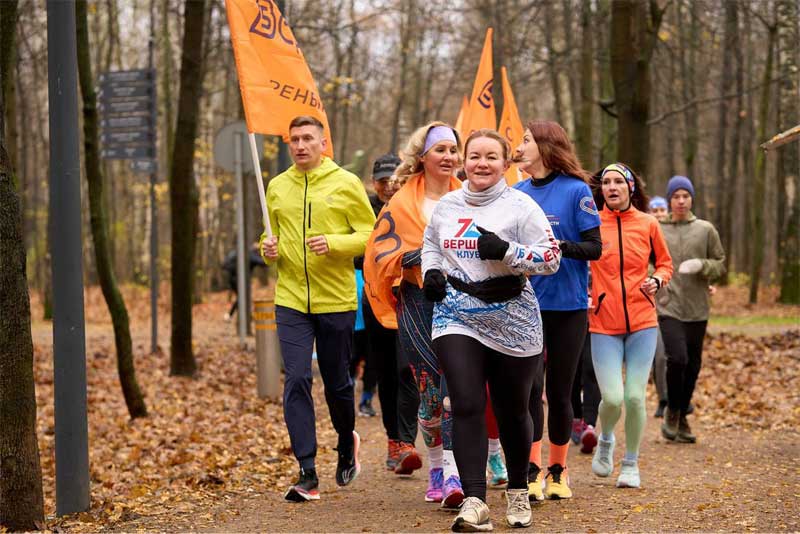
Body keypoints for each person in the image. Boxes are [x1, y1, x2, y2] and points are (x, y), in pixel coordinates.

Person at [422, 129, 561, 531]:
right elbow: (431, 243)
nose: (481, 164)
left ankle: (517, 488)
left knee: (513, 409)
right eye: (474, 156)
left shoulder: (521, 206)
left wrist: (508, 252)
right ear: (464, 161)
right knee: (464, 403)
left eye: (491, 157)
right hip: (456, 313)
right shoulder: (448, 205)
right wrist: (432, 271)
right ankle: (475, 501)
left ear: (505, 163)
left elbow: (551, 257)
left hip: (512, 316)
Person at [260, 116, 376, 502]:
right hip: (291, 299)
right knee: (295, 378)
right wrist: (267, 249)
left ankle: (346, 441)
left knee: (337, 382)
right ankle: (307, 470)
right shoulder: (277, 187)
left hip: (335, 298)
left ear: (323, 143)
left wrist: (336, 244)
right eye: (294, 139)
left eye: (308, 138)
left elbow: (369, 235)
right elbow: (268, 234)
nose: (300, 145)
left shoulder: (345, 183)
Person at [364, 122, 464, 507]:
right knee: (430, 395)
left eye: (454, 150)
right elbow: (380, 254)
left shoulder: (470, 198)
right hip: (418, 302)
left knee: (456, 390)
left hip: (463, 303)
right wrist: (418, 256)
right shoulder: (401, 204)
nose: (449, 157)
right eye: (441, 149)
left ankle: (454, 474)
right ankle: (436, 465)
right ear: (423, 156)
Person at [512, 120, 602, 501]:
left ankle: (558, 471)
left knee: (560, 392)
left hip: (568, 307)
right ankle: (531, 470)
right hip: (526, 306)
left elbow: (594, 248)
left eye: (527, 140)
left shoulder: (576, 191)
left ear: (546, 146)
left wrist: (557, 246)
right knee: (529, 390)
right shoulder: (515, 194)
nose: (520, 146)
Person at [588, 163, 673, 488]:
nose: (612, 187)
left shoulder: (648, 223)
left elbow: (665, 263)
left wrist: (657, 279)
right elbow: (581, 263)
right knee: (612, 399)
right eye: (607, 182)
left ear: (630, 188)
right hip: (603, 322)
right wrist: (585, 292)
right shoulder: (593, 222)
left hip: (642, 321)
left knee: (635, 398)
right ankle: (606, 437)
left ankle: (631, 464)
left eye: (619, 182)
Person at [358, 154, 422, 470]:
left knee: (405, 368)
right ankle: (394, 440)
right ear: (374, 183)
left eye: (393, 179)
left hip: (408, 297)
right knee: (385, 371)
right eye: (383, 180)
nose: (388, 185)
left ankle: (408, 442)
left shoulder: (413, 207)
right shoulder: (365, 209)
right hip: (375, 300)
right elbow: (360, 248)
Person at [657, 175, 725, 443]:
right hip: (668, 304)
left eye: (685, 196)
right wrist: (658, 285)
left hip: (698, 307)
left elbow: (720, 263)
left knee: (693, 365)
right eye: (676, 196)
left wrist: (702, 265)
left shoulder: (705, 229)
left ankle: (681, 415)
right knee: (678, 358)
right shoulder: (659, 229)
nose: (681, 201)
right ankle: (673, 410)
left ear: (691, 199)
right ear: (670, 200)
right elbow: (648, 262)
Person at [647, 196, 670, 418]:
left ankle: (675, 399)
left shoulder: (672, 236)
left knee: (676, 356)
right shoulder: (644, 233)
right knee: (660, 356)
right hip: (650, 307)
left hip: (673, 305)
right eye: (655, 209)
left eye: (663, 209)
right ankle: (663, 399)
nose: (659, 213)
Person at [221, 242, 267, 320]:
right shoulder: (251, 255)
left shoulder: (240, 253)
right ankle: (231, 315)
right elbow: (264, 263)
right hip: (239, 280)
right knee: (242, 297)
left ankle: (244, 316)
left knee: (242, 297)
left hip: (231, 279)